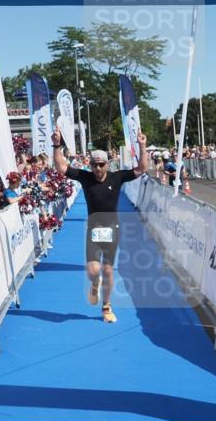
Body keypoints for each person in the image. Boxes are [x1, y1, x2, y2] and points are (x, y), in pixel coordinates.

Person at [52, 125, 147, 323]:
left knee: (108, 269)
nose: (98, 169)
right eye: (95, 165)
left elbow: (141, 169)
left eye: (101, 165)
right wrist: (56, 144)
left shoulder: (117, 177)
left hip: (113, 229)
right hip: (94, 230)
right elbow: (61, 167)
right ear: (90, 164)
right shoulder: (85, 178)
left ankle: (106, 306)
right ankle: (95, 284)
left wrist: (142, 145)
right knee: (93, 272)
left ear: (107, 164)